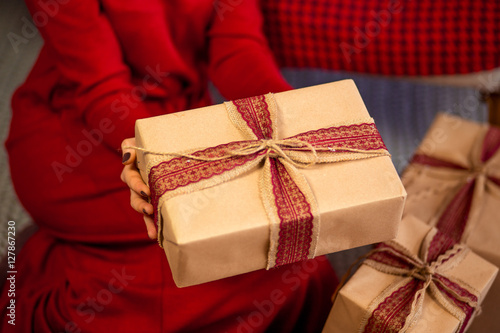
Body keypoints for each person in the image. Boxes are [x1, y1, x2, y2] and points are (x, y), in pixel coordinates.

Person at [1, 0, 338, 331]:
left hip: (181, 124)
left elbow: (237, 49)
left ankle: (70, 254)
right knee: (220, 258)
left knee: (293, 254)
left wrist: (295, 119)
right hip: (78, 140)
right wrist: (161, 162)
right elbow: (101, 89)